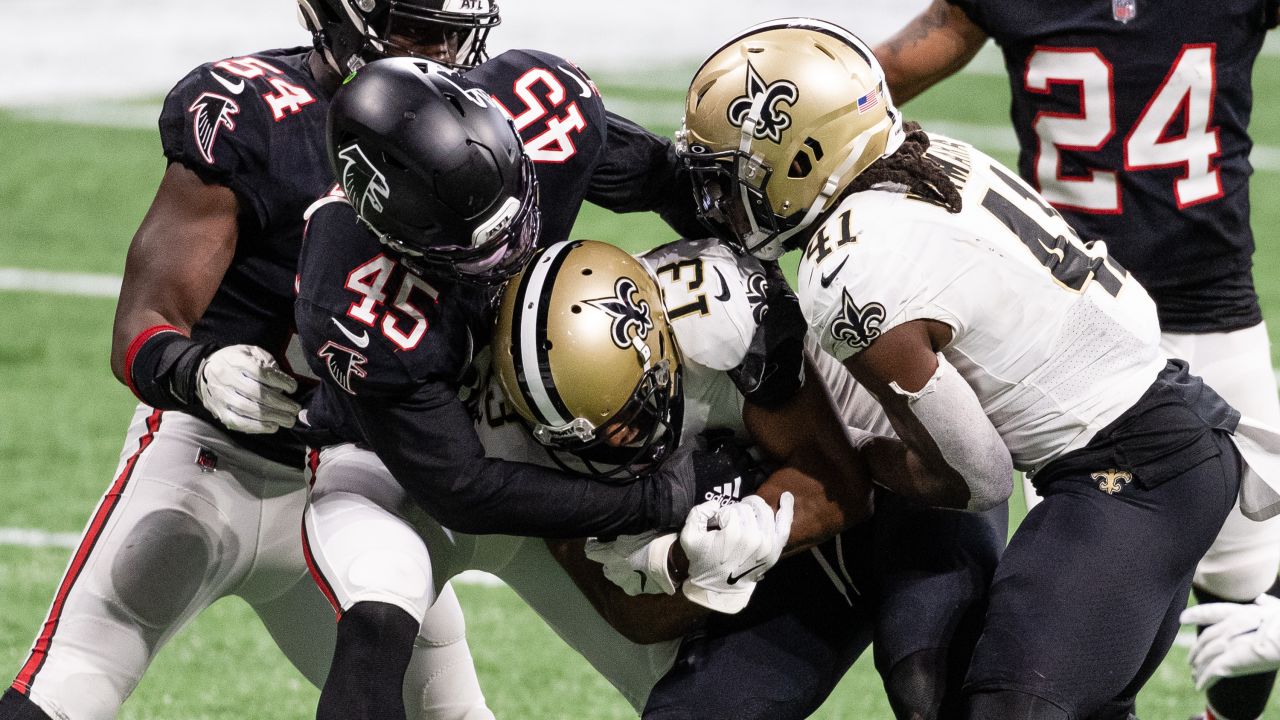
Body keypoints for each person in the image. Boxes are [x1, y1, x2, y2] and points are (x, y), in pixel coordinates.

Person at [675, 17, 1280, 718]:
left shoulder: (850, 267)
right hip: (1164, 436)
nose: (722, 200)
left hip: (1132, 476)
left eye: (734, 175)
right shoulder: (934, 157)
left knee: (1008, 706)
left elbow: (976, 477)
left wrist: (859, 458)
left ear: (805, 157)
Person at [0, 3, 503, 720]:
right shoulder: (253, 111)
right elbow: (143, 324)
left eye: (455, 30)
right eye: (419, 28)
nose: (445, 52)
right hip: (207, 462)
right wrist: (196, 371)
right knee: (67, 686)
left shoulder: (472, 130)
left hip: (350, 486)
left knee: (452, 713)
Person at [305, 236, 1006, 719]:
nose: (621, 447)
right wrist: (693, 569)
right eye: (588, 439)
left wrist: (758, 517)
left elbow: (842, 482)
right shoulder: (503, 440)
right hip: (785, 560)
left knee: (930, 683)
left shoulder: (722, 313)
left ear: (661, 340)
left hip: (899, 481)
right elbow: (629, 614)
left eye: (629, 415)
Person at [292, 54, 756, 719]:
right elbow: (460, 488)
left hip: (541, 430)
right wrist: (655, 498)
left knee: (693, 689)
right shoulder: (353, 292)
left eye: (516, 218)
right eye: (476, 250)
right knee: (376, 632)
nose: (509, 252)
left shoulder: (547, 109)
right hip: (387, 470)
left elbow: (669, 184)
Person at [869, 3, 1280, 717]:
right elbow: (866, 88)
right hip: (1066, 331)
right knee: (1073, 626)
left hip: (1205, 310)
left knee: (1247, 593)